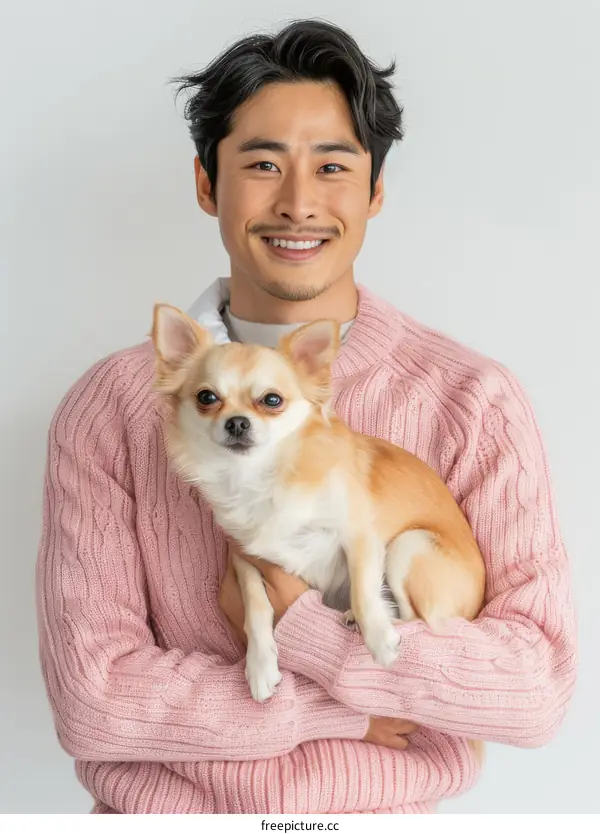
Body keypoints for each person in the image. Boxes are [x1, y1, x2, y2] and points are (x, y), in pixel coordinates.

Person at [36, 19, 576, 815]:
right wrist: (349, 713)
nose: (297, 203)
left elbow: (534, 688)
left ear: (375, 191)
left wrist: (300, 628)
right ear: (206, 184)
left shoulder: (471, 401)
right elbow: (95, 702)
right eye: (263, 164)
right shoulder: (110, 409)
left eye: (332, 166)